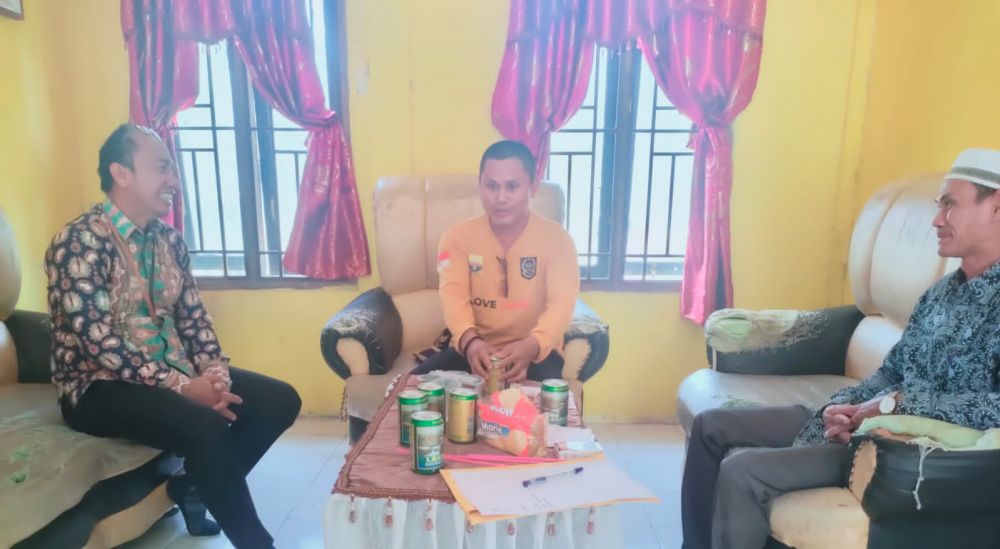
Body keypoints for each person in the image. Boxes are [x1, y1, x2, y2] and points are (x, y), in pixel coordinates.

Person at [681, 148, 1000, 549]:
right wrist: (845, 406)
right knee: (711, 426)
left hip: (902, 452)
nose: (937, 219)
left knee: (742, 471)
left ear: (996, 207)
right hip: (866, 423)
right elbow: (892, 371)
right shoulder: (939, 295)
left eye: (950, 205)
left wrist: (896, 405)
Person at [46, 123, 301, 549]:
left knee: (279, 400)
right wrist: (182, 387)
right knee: (205, 426)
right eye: (162, 167)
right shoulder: (78, 242)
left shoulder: (169, 240)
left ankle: (192, 488)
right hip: (97, 388)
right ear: (121, 173)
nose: (174, 181)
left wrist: (214, 375)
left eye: (173, 169)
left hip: (169, 372)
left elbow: (194, 319)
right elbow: (98, 341)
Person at [411, 140, 580, 384]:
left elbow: (561, 304)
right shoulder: (456, 238)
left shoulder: (558, 240)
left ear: (532, 187)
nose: (501, 197)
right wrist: (471, 342)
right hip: (475, 347)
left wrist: (533, 345)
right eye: (491, 186)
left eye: (512, 186)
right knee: (409, 393)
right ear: (480, 185)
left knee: (541, 406)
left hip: (536, 351)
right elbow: (453, 296)